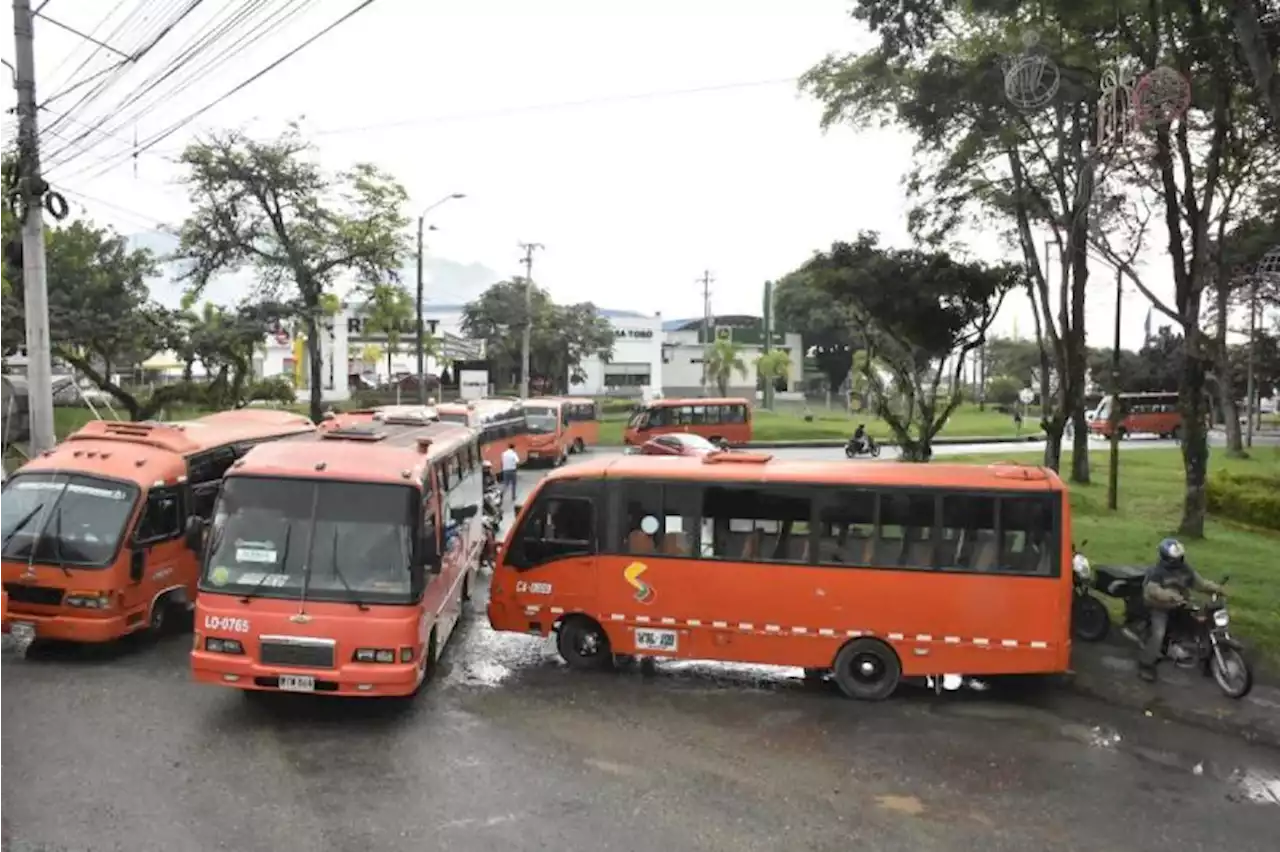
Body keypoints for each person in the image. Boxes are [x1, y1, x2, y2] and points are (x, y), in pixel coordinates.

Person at [1137, 537, 1223, 682]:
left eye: (1179, 557)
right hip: (1159, 606)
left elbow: (1199, 584)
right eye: (1173, 558)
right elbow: (1153, 591)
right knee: (1158, 634)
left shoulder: (1185, 569)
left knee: (1204, 624)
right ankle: (1146, 665)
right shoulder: (1157, 572)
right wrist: (1170, 596)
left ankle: (1208, 662)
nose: (1177, 561)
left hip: (1181, 603)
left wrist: (1217, 589)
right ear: (1165, 557)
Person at [500, 443, 519, 507]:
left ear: (508, 447)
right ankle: (513, 496)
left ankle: (501, 495)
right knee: (514, 484)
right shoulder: (514, 454)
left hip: (505, 471)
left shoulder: (503, 453)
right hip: (512, 470)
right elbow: (517, 461)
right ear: (513, 448)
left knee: (506, 484)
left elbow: (502, 462)